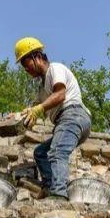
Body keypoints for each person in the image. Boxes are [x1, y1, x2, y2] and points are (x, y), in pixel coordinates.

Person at [15, 36, 92, 202]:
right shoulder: (42, 88)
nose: (25, 69)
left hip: (73, 115)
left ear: (36, 56)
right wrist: (16, 117)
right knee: (41, 152)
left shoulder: (55, 69)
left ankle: (58, 194)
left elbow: (60, 94)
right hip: (66, 121)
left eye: (25, 63)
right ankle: (50, 187)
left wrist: (40, 108)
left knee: (57, 151)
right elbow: (32, 109)